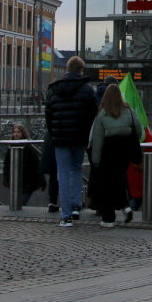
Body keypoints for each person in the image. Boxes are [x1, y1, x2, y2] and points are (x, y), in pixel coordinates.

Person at [45, 55, 97, 227]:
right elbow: (92, 115)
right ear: (81, 70)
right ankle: (75, 206)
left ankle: (65, 215)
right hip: (79, 137)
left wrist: (55, 134)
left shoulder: (53, 89)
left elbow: (49, 116)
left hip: (60, 139)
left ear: (67, 69)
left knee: (63, 173)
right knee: (76, 169)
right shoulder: (87, 90)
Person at [90, 84, 139, 227]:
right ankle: (126, 206)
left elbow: (97, 139)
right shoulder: (128, 110)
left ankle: (108, 218)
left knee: (107, 184)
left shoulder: (102, 114)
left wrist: (96, 160)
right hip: (126, 149)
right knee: (119, 178)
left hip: (109, 150)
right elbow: (138, 129)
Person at [3, 124, 41, 206]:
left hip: (28, 181)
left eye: (18, 132)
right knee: (16, 202)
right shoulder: (10, 147)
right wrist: (6, 179)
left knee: (21, 202)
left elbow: (36, 165)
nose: (16, 134)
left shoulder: (29, 147)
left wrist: (42, 181)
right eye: (14, 132)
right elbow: (6, 165)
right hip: (15, 180)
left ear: (23, 133)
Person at [39, 128, 60, 213]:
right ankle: (74, 204)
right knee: (70, 172)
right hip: (67, 139)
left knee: (54, 173)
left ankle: (53, 201)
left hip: (52, 137)